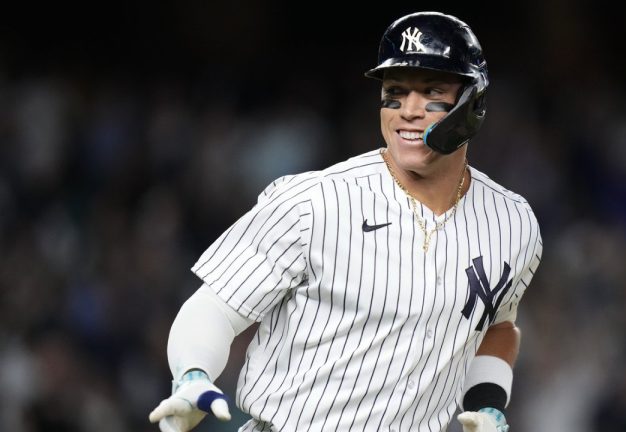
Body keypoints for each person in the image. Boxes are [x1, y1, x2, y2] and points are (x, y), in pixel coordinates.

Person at [149, 11, 542, 432]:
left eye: (431, 91)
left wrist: (488, 403)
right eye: (394, 92)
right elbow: (216, 307)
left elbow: (498, 326)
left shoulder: (513, 222)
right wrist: (192, 374)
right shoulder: (313, 201)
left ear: (473, 104)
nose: (407, 110)